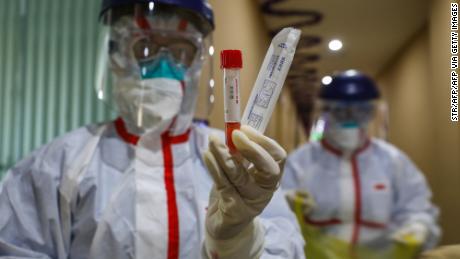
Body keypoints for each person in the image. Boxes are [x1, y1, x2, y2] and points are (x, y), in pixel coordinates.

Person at [0, 0, 305, 258]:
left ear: (198, 61)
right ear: (116, 53)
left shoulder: (233, 158)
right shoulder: (60, 163)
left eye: (180, 51)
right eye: (144, 47)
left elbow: (285, 247)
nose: (163, 64)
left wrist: (240, 243)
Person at [281, 70, 440, 257]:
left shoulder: (394, 161)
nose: (350, 119)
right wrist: (285, 203)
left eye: (360, 111)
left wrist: (419, 226)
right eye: (341, 111)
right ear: (325, 111)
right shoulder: (300, 161)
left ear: (372, 113)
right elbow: (274, 219)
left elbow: (417, 207)